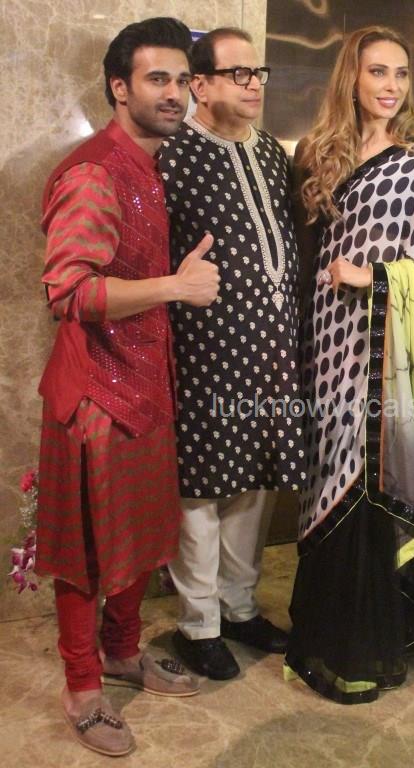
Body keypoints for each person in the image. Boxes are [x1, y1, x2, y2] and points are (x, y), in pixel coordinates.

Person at [35, 18, 221, 757]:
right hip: (94, 398)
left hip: (143, 387)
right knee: (86, 552)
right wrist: (175, 286)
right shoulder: (95, 173)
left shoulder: (148, 165)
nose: (175, 94)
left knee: (137, 541)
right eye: (156, 79)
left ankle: (120, 653)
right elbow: (69, 291)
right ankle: (83, 688)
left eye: (181, 80)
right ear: (119, 87)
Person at [285, 26, 414, 704]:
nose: (390, 86)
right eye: (377, 72)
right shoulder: (321, 154)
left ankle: (359, 646)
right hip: (324, 346)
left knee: (364, 482)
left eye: (400, 74)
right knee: (325, 481)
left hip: (383, 353)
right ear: (351, 79)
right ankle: (325, 633)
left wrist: (375, 278)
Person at [159, 27, 305, 681]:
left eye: (258, 72)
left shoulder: (271, 152)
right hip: (203, 351)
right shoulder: (173, 154)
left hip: (271, 351)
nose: (253, 85)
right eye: (237, 73)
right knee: (202, 489)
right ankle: (198, 624)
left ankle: (239, 606)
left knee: (255, 481)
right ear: (200, 84)